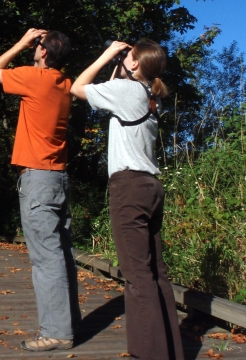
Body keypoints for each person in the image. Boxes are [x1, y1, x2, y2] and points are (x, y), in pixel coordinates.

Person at [70, 39, 184, 360]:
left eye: (128, 56)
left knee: (137, 277)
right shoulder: (148, 96)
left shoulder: (129, 92)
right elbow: (109, 88)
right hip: (150, 187)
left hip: (129, 188)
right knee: (156, 273)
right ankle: (167, 350)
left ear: (135, 65)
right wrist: (121, 63)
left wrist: (107, 53)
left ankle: (148, 354)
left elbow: (78, 87)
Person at [0, 28, 81, 352]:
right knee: (62, 255)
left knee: (46, 259)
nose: (34, 48)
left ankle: (56, 332)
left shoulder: (35, 78)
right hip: (58, 179)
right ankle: (69, 323)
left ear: (45, 52)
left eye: (38, 46)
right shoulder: (65, 84)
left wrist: (21, 41)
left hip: (39, 180)